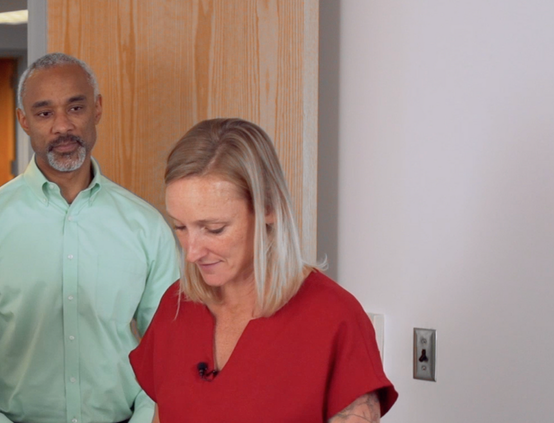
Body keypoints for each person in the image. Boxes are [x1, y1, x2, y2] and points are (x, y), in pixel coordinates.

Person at [0, 53, 179, 423]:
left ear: (97, 109)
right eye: (45, 113)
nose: (63, 126)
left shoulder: (145, 226)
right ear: (23, 120)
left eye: (75, 107)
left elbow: (170, 352)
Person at [129, 118, 398, 422]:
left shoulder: (336, 320)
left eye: (214, 229)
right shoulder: (175, 307)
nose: (192, 252)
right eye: (180, 226)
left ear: (269, 208)